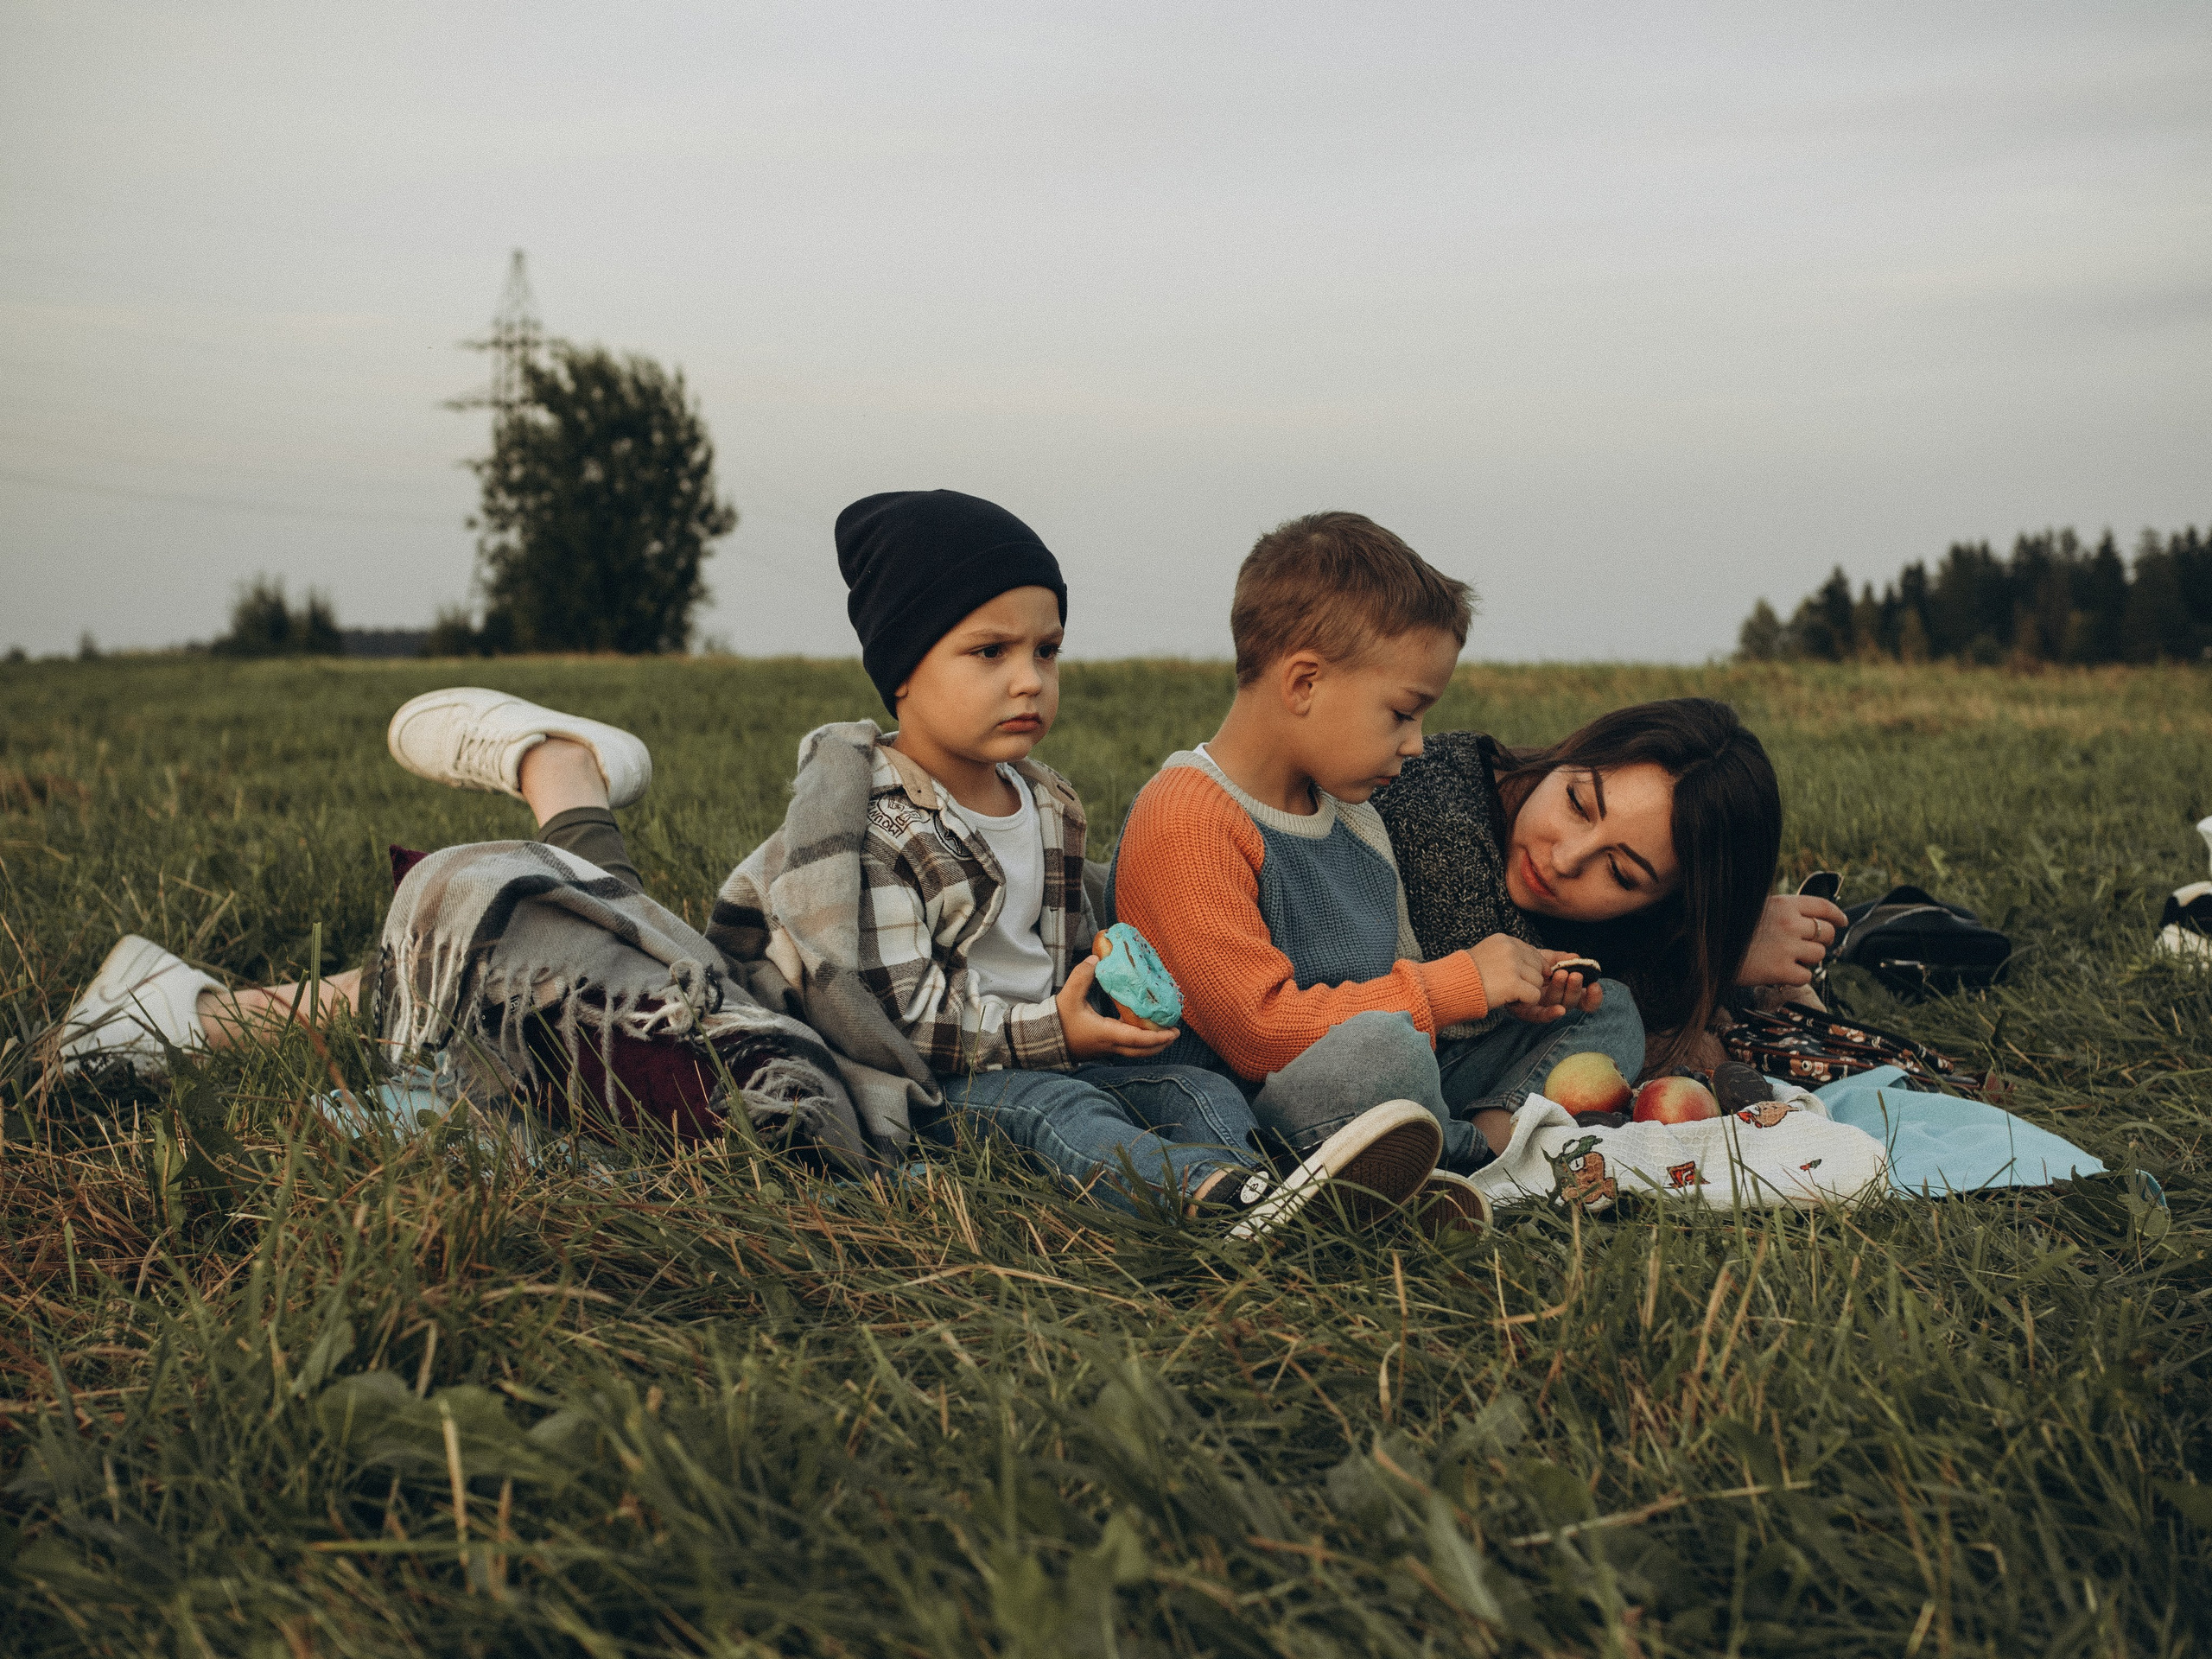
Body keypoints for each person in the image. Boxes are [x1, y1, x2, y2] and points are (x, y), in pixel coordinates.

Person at [60, 491, 1459, 1236]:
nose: (1031, 677)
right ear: (901, 666)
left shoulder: (1061, 802)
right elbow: (897, 1020)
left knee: (1193, 1084)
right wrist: (1055, 1026)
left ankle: (1283, 1177)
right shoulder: (866, 822)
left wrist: (1109, 985)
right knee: (559, 952)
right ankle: (557, 773)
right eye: (990, 650)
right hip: (964, 1068)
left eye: (1047, 648)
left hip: (1053, 1042)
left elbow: (1056, 939)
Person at [1109, 512, 1812, 1180]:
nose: (1416, 743)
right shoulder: (1190, 817)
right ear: (1303, 683)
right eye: (1403, 713)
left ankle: (1465, 1139)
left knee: (1605, 1011)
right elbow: (1259, 1035)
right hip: (1254, 1097)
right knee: (1386, 1054)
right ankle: (1476, 1152)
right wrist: (1461, 985)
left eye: (1622, 873)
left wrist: (1505, 998)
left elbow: (1397, 978)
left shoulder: (1348, 816)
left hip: (1374, 1071)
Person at [1374, 706, 1850, 1074]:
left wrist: (1719, 938)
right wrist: (1714, 958)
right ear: (1574, 753)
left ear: (1667, 907)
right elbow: (1507, 1000)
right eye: (1578, 803)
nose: (1564, 860)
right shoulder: (1437, 818)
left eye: (1620, 873)